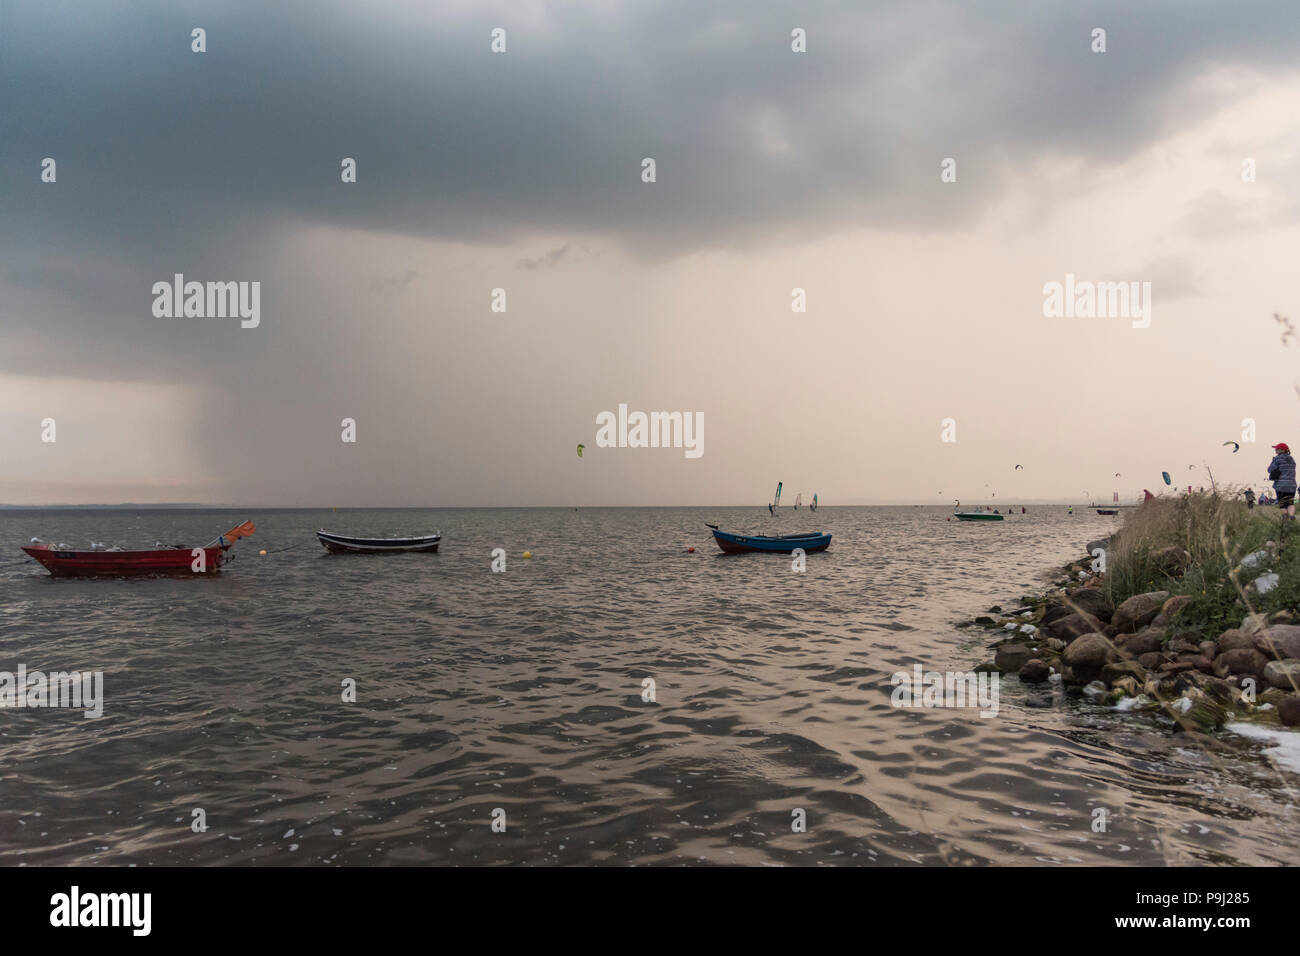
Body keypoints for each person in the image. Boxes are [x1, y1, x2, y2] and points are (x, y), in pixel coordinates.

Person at [1267, 443, 1297, 519]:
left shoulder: (1278, 459)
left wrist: (1273, 461)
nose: (1275, 450)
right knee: (1290, 503)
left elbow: (1270, 469)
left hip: (1281, 485)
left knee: (1282, 504)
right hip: (1291, 485)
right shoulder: (1291, 459)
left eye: (1277, 449)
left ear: (1282, 450)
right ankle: (1291, 515)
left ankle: (1284, 517)